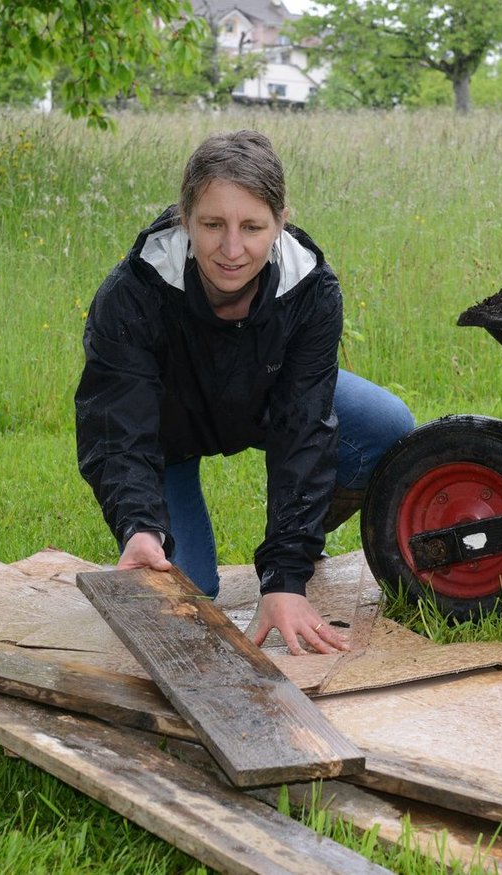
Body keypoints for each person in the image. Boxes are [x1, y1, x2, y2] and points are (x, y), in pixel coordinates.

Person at [74, 130, 414, 656]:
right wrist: (140, 526)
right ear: (184, 218)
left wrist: (285, 577)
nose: (231, 250)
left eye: (252, 227)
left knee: (385, 426)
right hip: (167, 433)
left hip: (264, 402)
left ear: (280, 221)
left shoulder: (311, 289)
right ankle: (156, 535)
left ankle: (296, 540)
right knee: (187, 595)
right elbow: (117, 426)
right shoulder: (132, 291)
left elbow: (304, 427)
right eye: (212, 225)